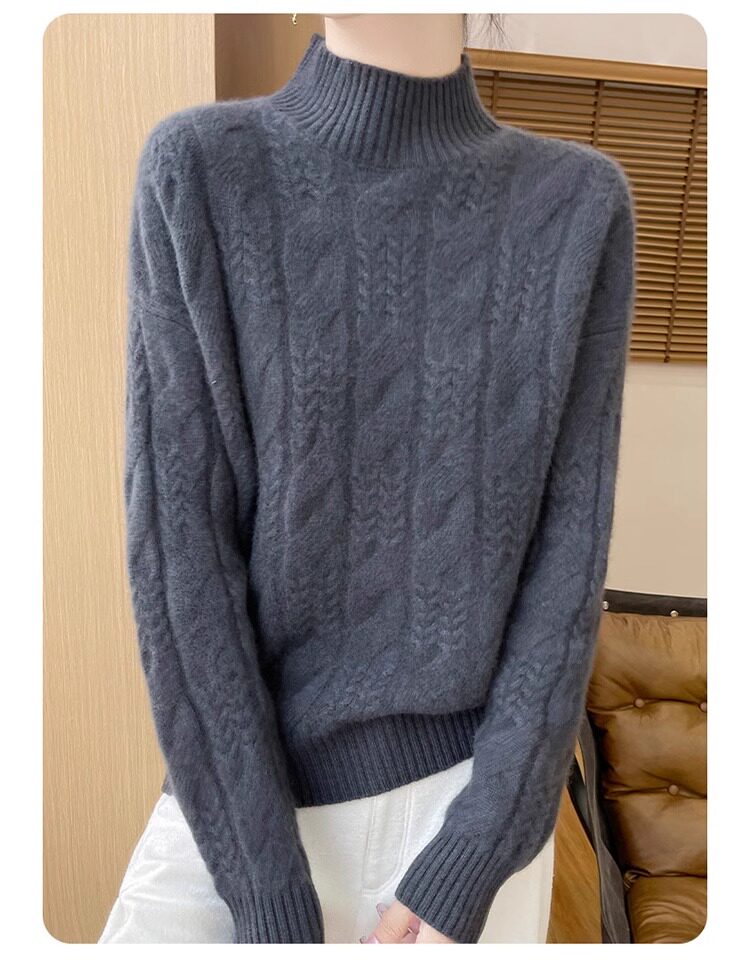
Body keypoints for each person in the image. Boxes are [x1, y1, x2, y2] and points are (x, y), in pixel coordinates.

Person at [101, 11, 635, 945]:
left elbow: (568, 562)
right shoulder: (202, 170)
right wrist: (264, 886)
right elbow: (179, 554)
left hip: (467, 816)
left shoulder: (577, 203)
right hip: (245, 811)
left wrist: (481, 843)